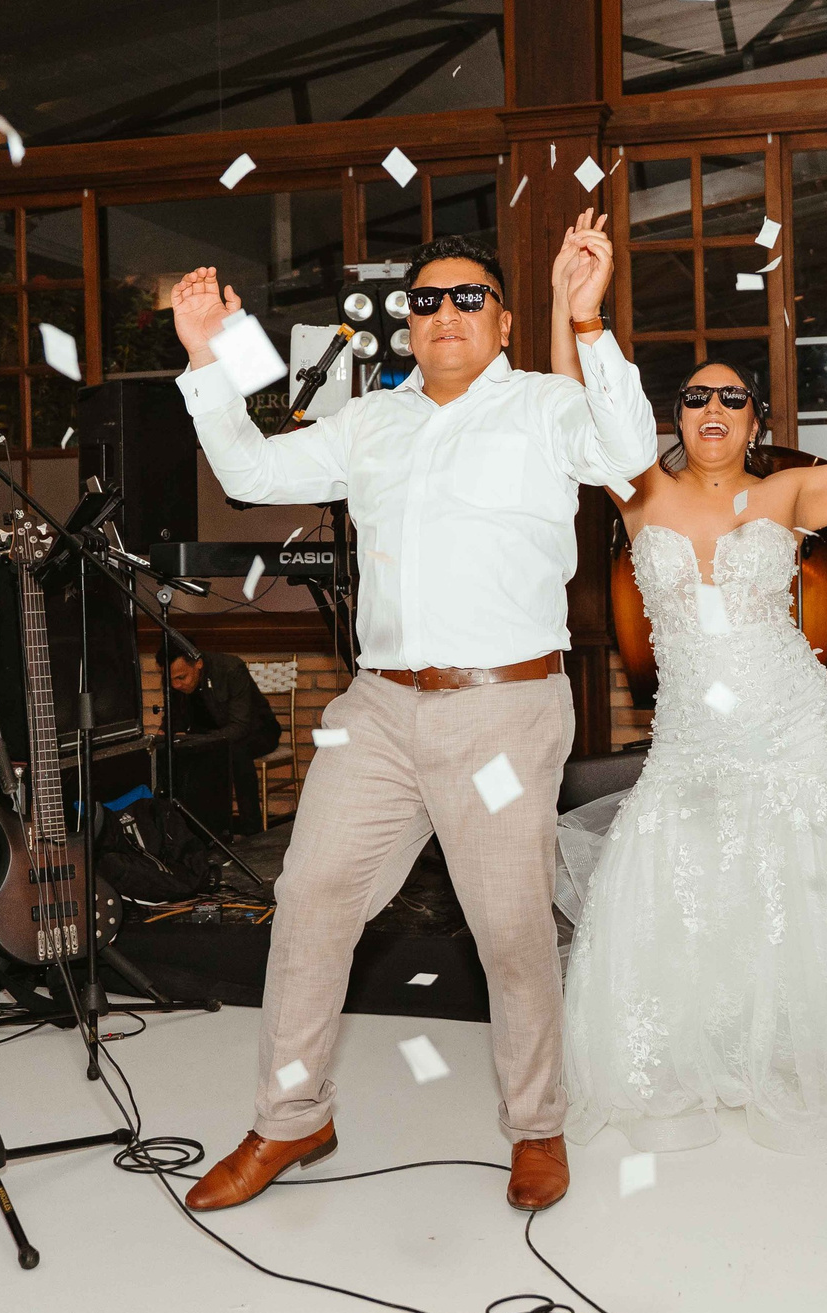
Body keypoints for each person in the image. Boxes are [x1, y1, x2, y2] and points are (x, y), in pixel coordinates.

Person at [167, 214, 653, 1214]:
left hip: (505, 711)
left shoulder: (547, 407)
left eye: (466, 296)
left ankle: (537, 1125)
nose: (443, 313)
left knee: (509, 929)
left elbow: (628, 450)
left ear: (504, 319)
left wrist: (590, 319)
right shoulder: (373, 420)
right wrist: (208, 361)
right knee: (309, 902)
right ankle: (291, 1120)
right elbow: (251, 474)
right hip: (378, 709)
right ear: (408, 323)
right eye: (425, 299)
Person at [547, 304, 827, 1154]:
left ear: (755, 419)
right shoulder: (640, 494)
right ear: (676, 416)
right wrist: (568, 307)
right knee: (679, 878)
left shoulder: (788, 492)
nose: (713, 411)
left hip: (788, 725)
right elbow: (569, 406)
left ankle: (786, 1047)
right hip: (691, 731)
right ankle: (699, 1047)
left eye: (731, 399)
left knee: (784, 891)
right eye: (696, 399)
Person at [162, 647, 281, 836]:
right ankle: (193, 831)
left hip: (257, 732)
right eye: (171, 680)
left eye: (181, 678)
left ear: (198, 663)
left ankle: (252, 831)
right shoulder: (175, 680)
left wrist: (203, 741)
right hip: (211, 736)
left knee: (235, 751)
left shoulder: (231, 669)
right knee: (178, 753)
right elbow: (171, 719)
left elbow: (241, 725)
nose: (176, 685)